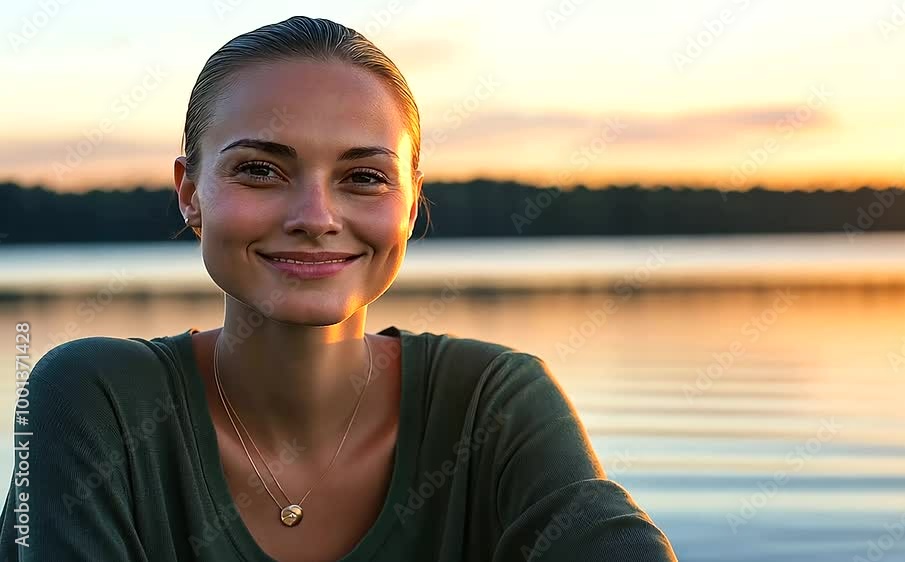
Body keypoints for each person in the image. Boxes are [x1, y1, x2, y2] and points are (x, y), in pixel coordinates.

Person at [0, 16, 678, 562]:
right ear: (190, 193)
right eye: (261, 170)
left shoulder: (491, 404)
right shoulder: (95, 403)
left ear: (410, 207)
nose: (315, 218)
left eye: (364, 177)